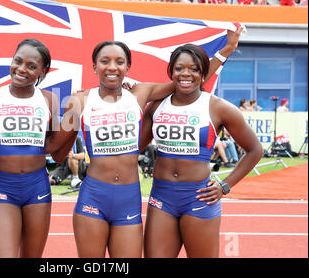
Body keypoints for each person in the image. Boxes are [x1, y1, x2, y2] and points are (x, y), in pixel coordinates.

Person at [46, 27, 242, 258]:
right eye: (104, 61)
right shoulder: (78, 100)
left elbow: (189, 80)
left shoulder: (140, 93)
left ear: (127, 68)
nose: (112, 67)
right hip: (93, 196)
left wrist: (225, 51)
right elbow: (56, 149)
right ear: (94, 66)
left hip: (128, 199)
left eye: (119, 61)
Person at [139, 43, 263, 258]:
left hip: (198, 197)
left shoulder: (218, 107)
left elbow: (255, 150)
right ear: (171, 71)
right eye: (179, 68)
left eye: (194, 69)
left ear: (203, 73)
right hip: (161, 197)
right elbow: (134, 148)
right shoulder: (157, 105)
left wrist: (225, 185)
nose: (185, 74)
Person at [0, 38, 58, 258]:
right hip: (4, 187)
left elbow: (53, 145)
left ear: (43, 71)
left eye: (31, 66)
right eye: (18, 61)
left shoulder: (51, 100)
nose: (22, 69)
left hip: (37, 187)